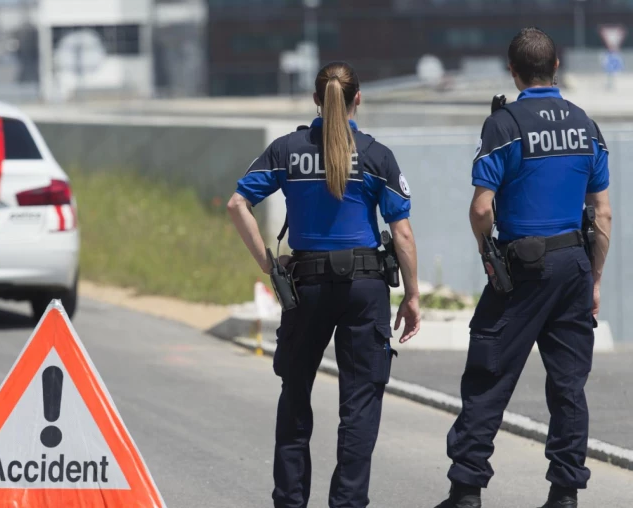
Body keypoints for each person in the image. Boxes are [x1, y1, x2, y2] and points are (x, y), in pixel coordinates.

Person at [227, 61, 421, 508]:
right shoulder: (376, 155)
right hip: (366, 287)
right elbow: (403, 233)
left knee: (295, 396)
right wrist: (412, 296)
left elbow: (239, 204)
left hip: (307, 286)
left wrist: (268, 265)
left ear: (316, 100)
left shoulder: (288, 150)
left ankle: (290, 501)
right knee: (359, 404)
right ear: (358, 100)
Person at [434, 28, 612, 508]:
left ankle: (466, 491)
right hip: (574, 263)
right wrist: (593, 279)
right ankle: (564, 493)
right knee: (568, 385)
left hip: (522, 267)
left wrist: (486, 250)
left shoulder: (505, 124)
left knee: (488, 375)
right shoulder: (585, 124)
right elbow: (603, 213)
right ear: (556, 67)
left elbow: (480, 208)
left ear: (512, 71)